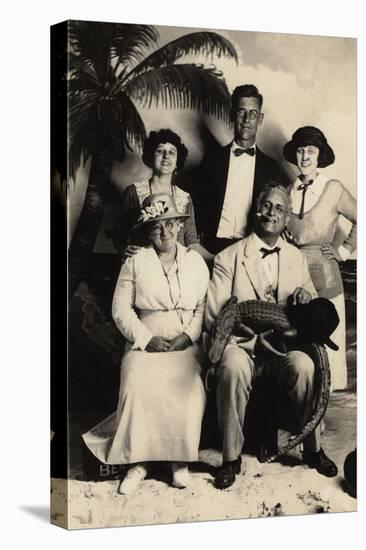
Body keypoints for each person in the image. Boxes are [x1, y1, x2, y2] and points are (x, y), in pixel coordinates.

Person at [205, 182, 338, 490]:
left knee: (305, 366)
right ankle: (230, 458)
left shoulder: (297, 258)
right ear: (256, 209)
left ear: (287, 217)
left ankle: (313, 450)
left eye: (280, 208)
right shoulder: (229, 258)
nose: (271, 213)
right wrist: (253, 338)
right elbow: (216, 317)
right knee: (234, 366)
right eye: (266, 205)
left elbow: (311, 318)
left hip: (282, 350)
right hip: (241, 347)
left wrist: (306, 298)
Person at [83, 193, 210, 494]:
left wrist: (187, 336)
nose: (164, 232)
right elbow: (121, 309)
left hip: (184, 341)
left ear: (180, 225)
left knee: (189, 388)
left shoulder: (195, 262)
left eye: (169, 224)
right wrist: (146, 339)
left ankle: (177, 459)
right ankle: (137, 462)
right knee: (136, 382)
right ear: (148, 231)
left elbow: (204, 307)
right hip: (145, 339)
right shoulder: (136, 262)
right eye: (156, 227)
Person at [283, 126, 356, 390]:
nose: (304, 157)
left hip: (324, 272)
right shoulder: (286, 191)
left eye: (310, 151)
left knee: (327, 337)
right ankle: (305, 400)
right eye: (300, 150)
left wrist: (343, 251)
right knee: (298, 337)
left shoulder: (333, 188)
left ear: (320, 155)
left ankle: (326, 397)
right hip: (293, 273)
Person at [192, 84, 290, 255]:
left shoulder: (271, 168)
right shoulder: (212, 160)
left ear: (260, 119)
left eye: (252, 114)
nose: (246, 120)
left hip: (253, 249)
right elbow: (196, 204)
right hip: (213, 248)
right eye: (241, 112)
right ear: (232, 115)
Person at [112, 128, 213, 264]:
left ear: (177, 162)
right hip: (144, 268)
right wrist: (124, 249)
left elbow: (191, 243)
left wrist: (216, 258)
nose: (166, 156)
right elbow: (119, 235)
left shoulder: (185, 198)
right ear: (150, 156)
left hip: (177, 270)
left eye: (172, 152)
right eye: (160, 151)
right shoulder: (133, 192)